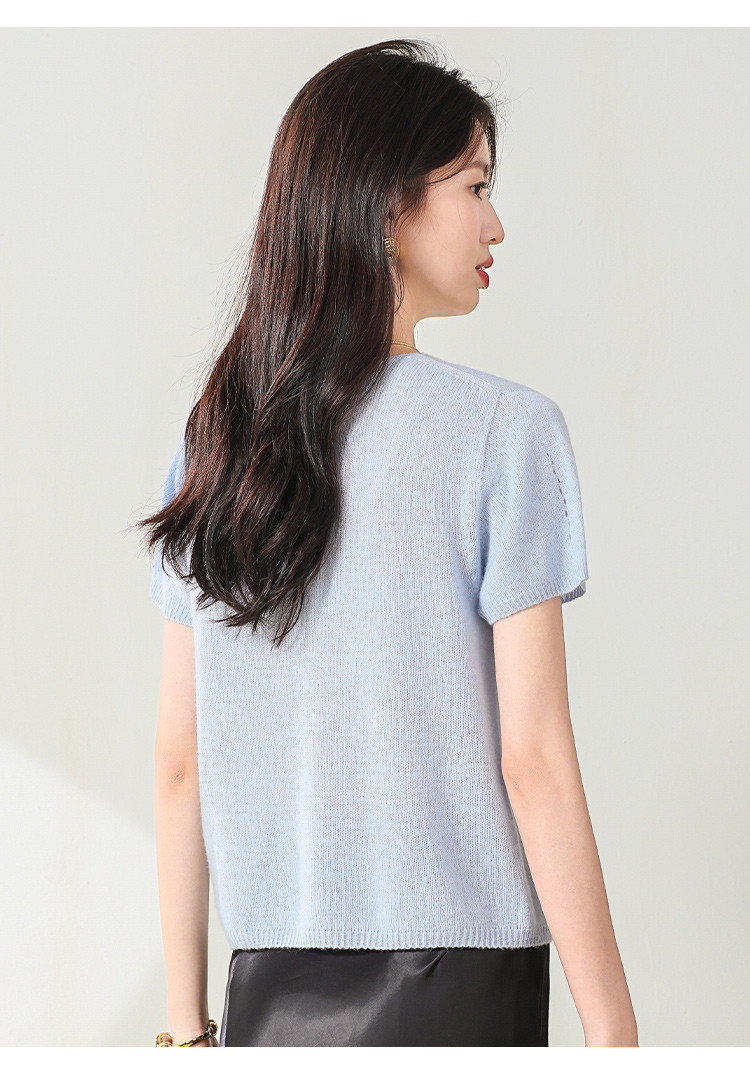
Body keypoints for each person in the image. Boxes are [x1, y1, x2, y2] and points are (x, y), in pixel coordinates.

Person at [139, 38, 638, 1047]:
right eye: (476, 185)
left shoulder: (215, 441)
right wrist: (615, 1031)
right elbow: (534, 759)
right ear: (386, 204)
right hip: (463, 991)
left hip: (266, 995)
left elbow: (180, 762)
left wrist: (186, 1030)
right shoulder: (506, 432)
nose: (496, 223)